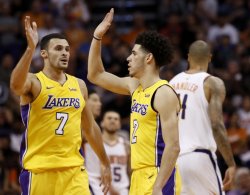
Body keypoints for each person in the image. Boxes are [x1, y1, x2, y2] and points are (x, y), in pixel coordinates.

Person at [10, 16, 111, 195]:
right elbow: (15, 85)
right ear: (44, 54)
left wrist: (105, 162)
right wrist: (29, 49)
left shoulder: (79, 85)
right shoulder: (34, 81)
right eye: (58, 49)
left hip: (73, 170)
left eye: (67, 49)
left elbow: (90, 127)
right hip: (40, 170)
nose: (65, 53)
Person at [88, 8, 181, 195]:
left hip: (157, 174)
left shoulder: (163, 93)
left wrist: (158, 186)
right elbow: (95, 75)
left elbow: (173, 146)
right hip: (138, 176)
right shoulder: (134, 86)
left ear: (148, 58)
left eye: (134, 54)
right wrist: (97, 37)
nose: (128, 58)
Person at [169, 40, 236, 195]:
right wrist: (231, 164)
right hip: (200, 156)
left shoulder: (171, 83)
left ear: (188, 57)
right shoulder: (212, 83)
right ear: (210, 57)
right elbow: (217, 124)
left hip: (172, 161)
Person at [86, 110, 130, 195]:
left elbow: (129, 170)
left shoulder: (126, 145)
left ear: (120, 124)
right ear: (102, 123)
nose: (112, 120)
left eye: (116, 119)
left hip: (122, 189)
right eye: (109, 118)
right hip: (99, 188)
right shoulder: (93, 143)